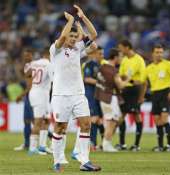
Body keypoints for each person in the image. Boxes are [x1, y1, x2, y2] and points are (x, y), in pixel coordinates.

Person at [49, 5, 101, 172]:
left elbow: (93, 36)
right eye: (70, 36)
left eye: (74, 36)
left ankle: (84, 161)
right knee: (60, 127)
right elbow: (62, 38)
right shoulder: (55, 49)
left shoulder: (78, 49)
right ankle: (57, 160)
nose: (72, 39)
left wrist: (82, 18)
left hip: (78, 94)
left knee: (86, 124)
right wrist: (71, 20)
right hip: (60, 95)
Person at [142, 44, 170, 152]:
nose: (159, 54)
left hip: (165, 92)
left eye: (161, 52)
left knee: (164, 118)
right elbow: (144, 83)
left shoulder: (168, 64)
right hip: (154, 94)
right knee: (157, 120)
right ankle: (160, 146)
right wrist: (142, 96)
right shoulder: (148, 68)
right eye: (157, 52)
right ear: (152, 53)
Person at [95, 48, 129, 152]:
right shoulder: (114, 70)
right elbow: (120, 86)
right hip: (110, 98)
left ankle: (106, 143)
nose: (122, 59)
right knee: (112, 122)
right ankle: (106, 144)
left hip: (102, 96)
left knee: (112, 120)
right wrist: (128, 78)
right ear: (115, 57)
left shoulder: (103, 67)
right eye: (120, 56)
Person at [116, 39, 146, 151]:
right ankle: (122, 143)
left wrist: (141, 95)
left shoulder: (139, 60)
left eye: (121, 48)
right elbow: (121, 75)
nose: (120, 50)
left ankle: (136, 145)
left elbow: (142, 80)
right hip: (125, 89)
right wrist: (127, 79)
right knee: (122, 115)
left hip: (135, 90)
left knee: (136, 115)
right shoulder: (124, 60)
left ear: (127, 47)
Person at [27, 48, 53, 155]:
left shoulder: (34, 63)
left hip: (37, 92)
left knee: (46, 120)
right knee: (38, 121)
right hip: (40, 94)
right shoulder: (49, 64)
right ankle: (32, 148)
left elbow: (26, 73)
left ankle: (42, 146)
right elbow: (53, 80)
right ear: (49, 54)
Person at [14, 49, 34, 151]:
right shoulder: (26, 67)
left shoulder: (34, 66)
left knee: (36, 121)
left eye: (28, 55)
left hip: (33, 96)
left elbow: (30, 86)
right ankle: (27, 144)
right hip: (28, 97)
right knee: (26, 120)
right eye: (24, 56)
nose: (26, 57)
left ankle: (48, 142)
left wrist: (20, 95)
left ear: (32, 55)